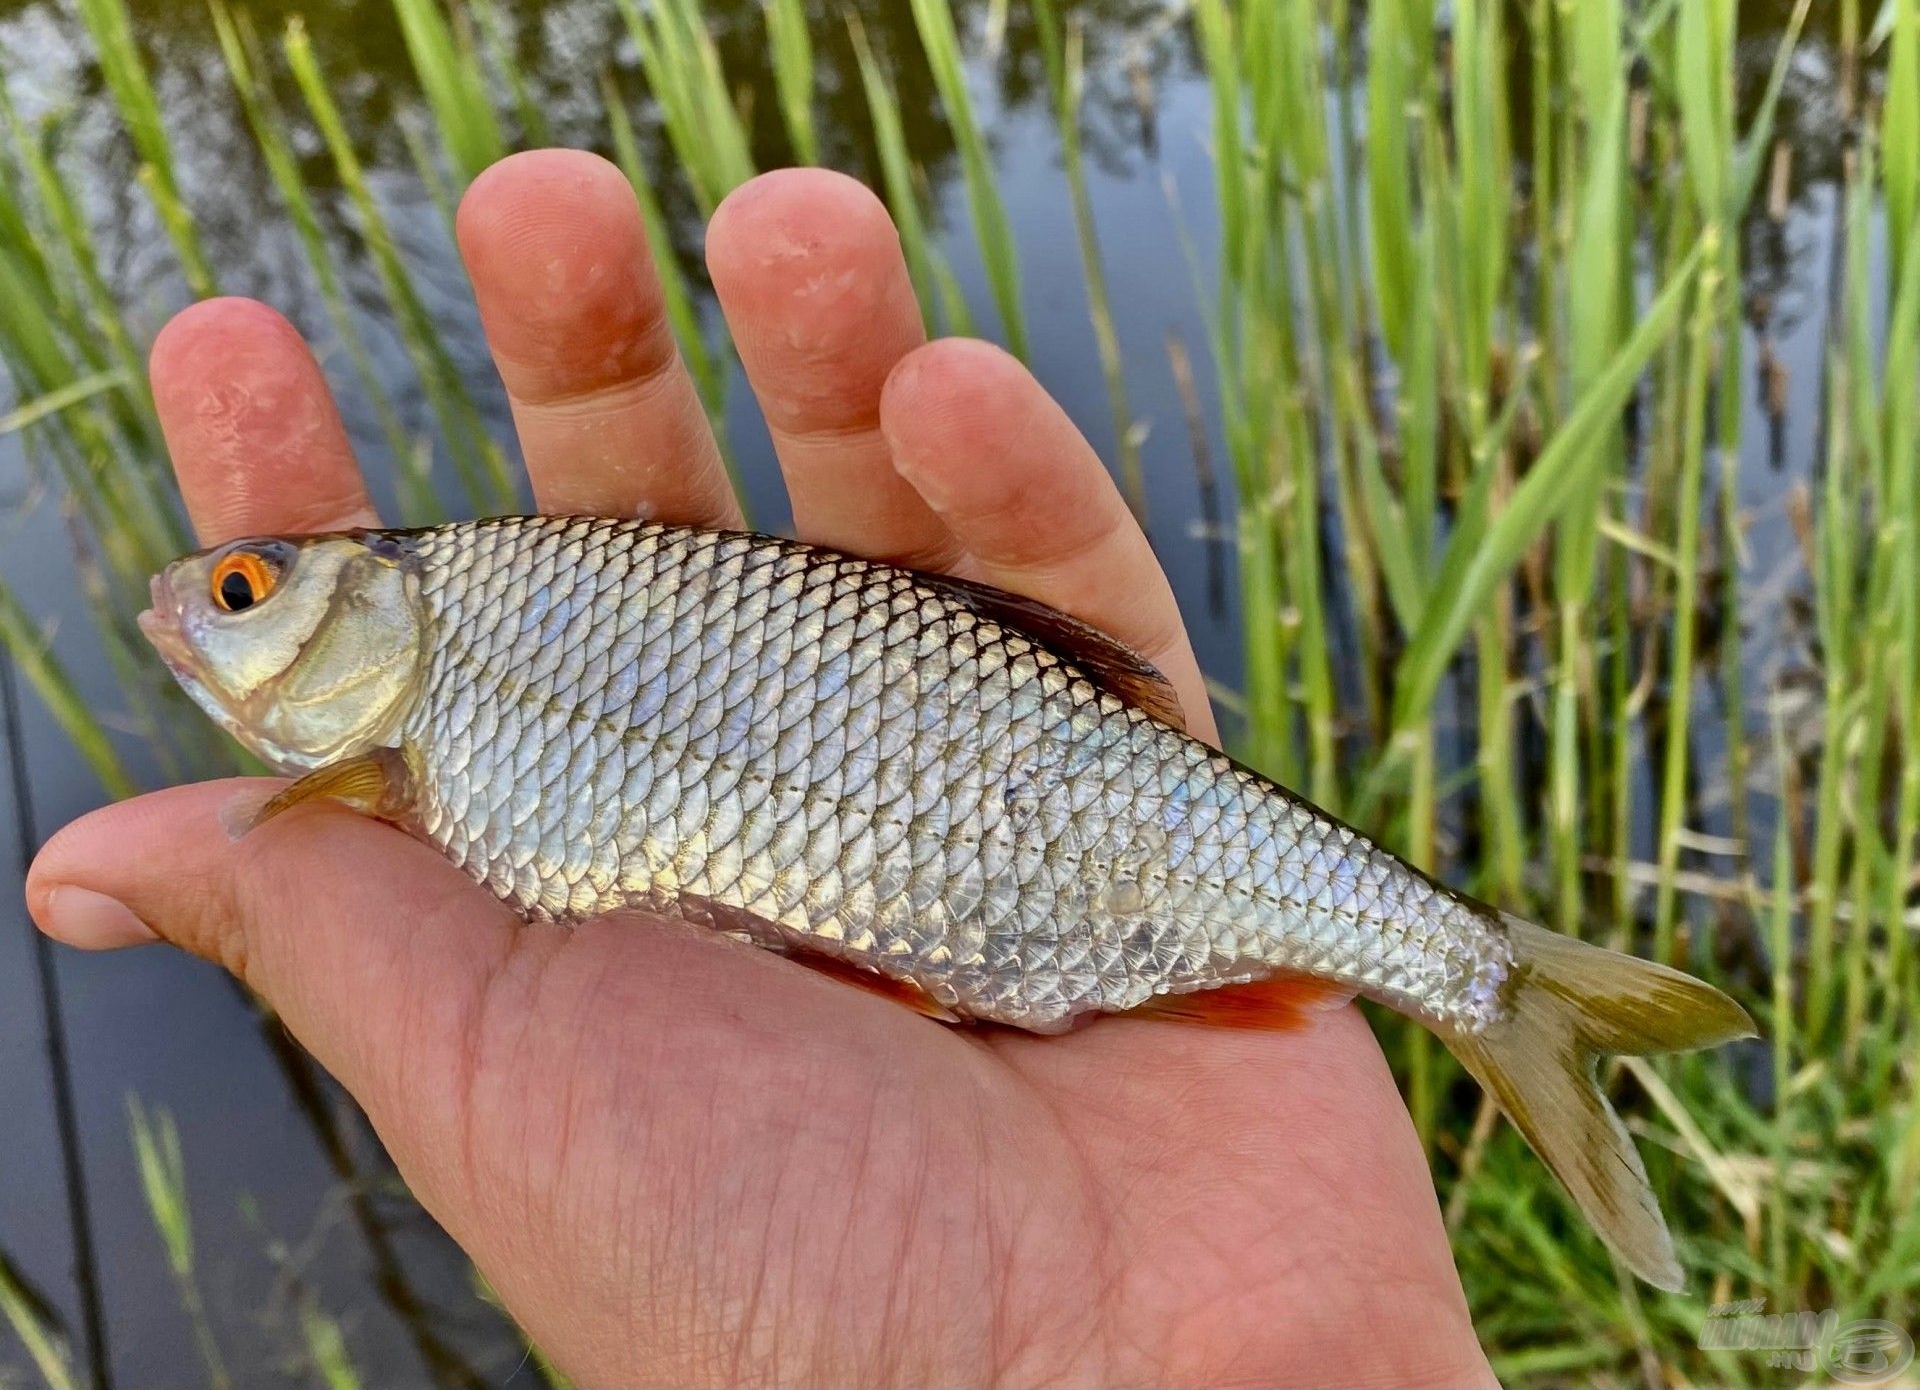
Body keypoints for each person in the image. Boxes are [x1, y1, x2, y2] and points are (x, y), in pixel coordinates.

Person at [27, 150, 1495, 1388]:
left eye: (240, 594)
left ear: (369, 613)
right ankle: (1481, 976)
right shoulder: (415, 709)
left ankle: (1490, 981)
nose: (201, 609)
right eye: (240, 591)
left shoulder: (416, 691)